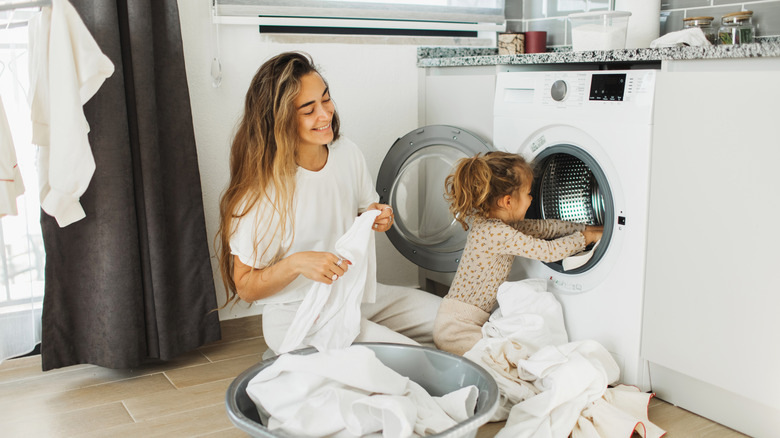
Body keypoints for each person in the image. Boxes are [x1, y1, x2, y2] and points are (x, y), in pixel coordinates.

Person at [215, 51, 441, 355]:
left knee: (452, 318)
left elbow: (362, 208)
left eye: (326, 99)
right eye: (308, 110)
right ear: (279, 121)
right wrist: (295, 264)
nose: (325, 115)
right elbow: (245, 285)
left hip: (354, 294)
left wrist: (376, 214)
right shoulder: (260, 192)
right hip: (296, 311)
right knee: (414, 359)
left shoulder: (347, 152)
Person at [433, 151, 603, 355]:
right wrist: (586, 237)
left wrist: (585, 227)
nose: (532, 199)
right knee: (501, 366)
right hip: (456, 329)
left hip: (460, 322)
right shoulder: (496, 232)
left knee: (502, 360)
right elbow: (548, 252)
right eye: (528, 193)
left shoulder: (493, 224)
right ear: (507, 202)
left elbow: (545, 228)